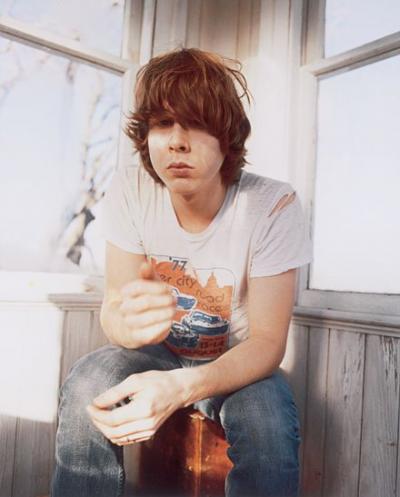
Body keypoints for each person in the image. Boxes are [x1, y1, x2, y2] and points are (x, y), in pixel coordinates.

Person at [51, 47, 313, 497]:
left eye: (195, 123)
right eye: (162, 123)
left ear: (227, 137)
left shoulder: (273, 204)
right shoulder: (131, 188)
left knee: (268, 423)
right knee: (88, 382)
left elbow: (268, 343)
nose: (176, 141)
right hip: (158, 353)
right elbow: (114, 313)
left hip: (237, 359)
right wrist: (127, 323)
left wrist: (180, 387)